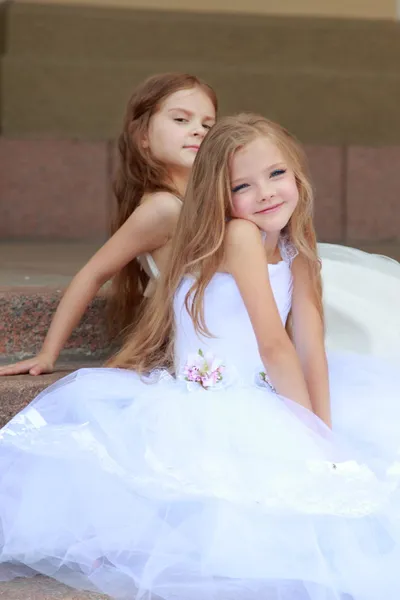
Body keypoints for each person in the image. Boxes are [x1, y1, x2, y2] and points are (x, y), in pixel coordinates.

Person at [1, 114, 400, 600]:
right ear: (220, 196)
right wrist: (307, 434)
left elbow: (310, 348)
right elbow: (273, 343)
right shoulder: (239, 237)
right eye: (243, 186)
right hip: (212, 405)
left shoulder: (296, 245)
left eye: (276, 174)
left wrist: (326, 435)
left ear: (297, 173)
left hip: (271, 391)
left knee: (349, 478)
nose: (267, 192)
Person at [0, 72, 217, 376]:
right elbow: (93, 273)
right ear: (143, 136)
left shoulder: (205, 200)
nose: (198, 131)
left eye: (208, 124)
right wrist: (47, 355)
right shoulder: (163, 209)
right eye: (181, 120)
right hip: (208, 350)